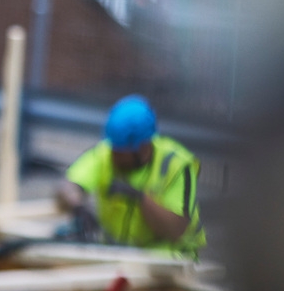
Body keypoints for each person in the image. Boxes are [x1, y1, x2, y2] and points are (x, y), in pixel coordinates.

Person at [54, 94, 205, 256]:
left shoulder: (175, 165)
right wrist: (78, 206)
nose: (114, 156)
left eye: (121, 152)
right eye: (113, 148)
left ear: (143, 148)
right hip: (120, 258)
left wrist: (140, 198)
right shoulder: (106, 153)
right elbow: (67, 187)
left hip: (170, 262)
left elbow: (176, 230)